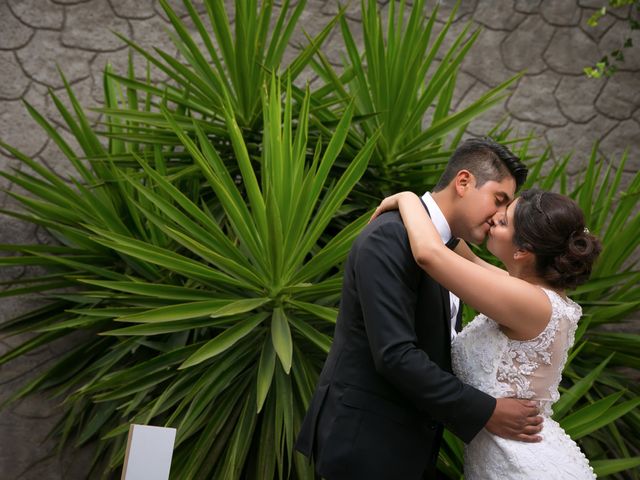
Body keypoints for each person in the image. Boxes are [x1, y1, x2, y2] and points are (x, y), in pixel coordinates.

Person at [295, 138, 544, 480]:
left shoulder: (447, 251)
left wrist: (407, 197)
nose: (498, 216)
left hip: (406, 447)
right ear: (464, 182)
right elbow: (394, 354)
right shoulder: (390, 237)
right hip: (366, 444)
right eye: (498, 200)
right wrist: (487, 411)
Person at [370, 187, 601, 479]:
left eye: (504, 222)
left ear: (522, 251)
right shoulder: (531, 291)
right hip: (503, 459)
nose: (493, 220)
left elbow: (430, 255)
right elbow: (467, 259)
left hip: (521, 467)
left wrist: (406, 198)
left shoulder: (527, 301)